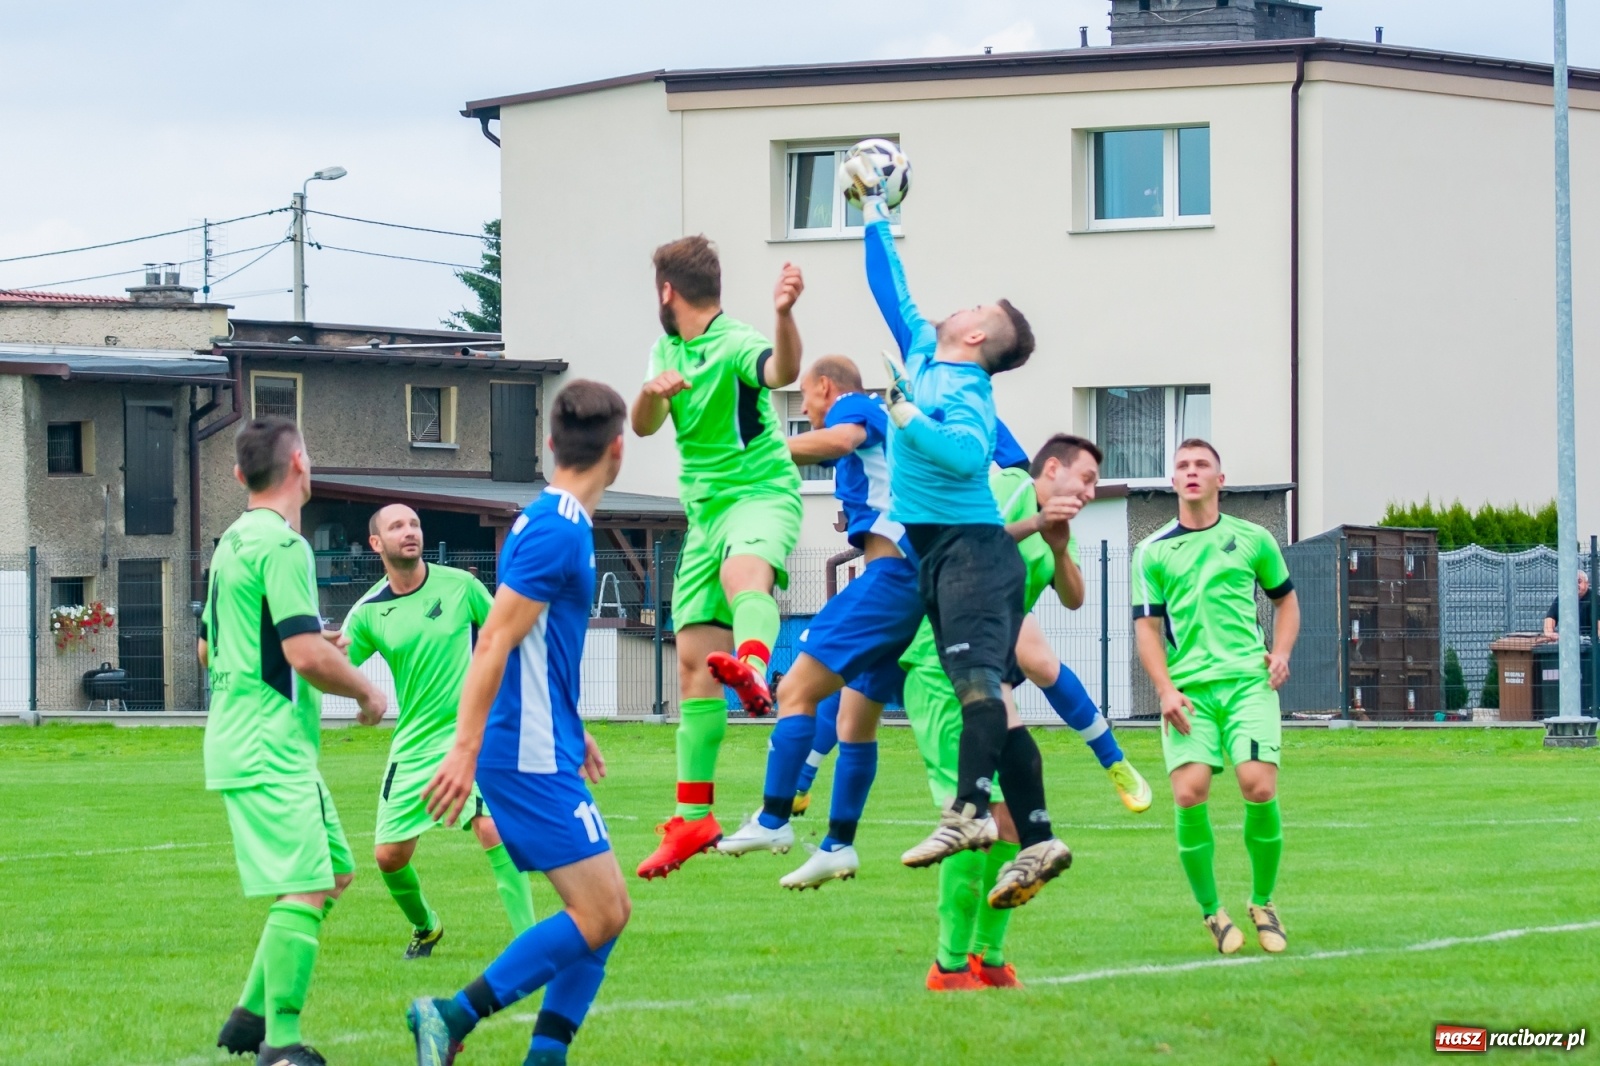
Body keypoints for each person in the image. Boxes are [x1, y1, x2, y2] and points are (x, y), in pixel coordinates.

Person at [846, 151, 1066, 908]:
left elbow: (970, 451)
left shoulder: (964, 388)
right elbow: (891, 288)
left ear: (977, 339)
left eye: (976, 309)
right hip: (947, 556)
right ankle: (1037, 836)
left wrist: (905, 412)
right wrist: (874, 208)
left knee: (976, 695)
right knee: (995, 708)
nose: (960, 307)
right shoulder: (922, 352)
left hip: (974, 554)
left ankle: (968, 815)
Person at [408, 381, 631, 1066]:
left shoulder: (562, 521)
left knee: (607, 914)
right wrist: (465, 749)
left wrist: (574, 723)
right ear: (617, 452)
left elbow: (535, 644)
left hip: (547, 740)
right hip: (524, 752)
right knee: (599, 912)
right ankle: (450, 1014)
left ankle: (544, 1056)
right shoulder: (558, 529)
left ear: (549, 445)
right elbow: (496, 639)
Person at [904, 433, 1147, 990]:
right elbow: (965, 543)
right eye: (1084, 478)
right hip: (940, 663)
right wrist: (1038, 525)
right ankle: (948, 965)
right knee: (972, 818)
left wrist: (1059, 544)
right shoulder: (1008, 486)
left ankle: (988, 958)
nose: (1089, 491)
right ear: (1052, 468)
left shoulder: (1057, 527)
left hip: (989, 673)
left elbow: (1075, 596)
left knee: (1014, 820)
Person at [204, 417, 388, 1066]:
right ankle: (281, 1046)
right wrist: (367, 691)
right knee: (307, 887)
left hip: (249, 738)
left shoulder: (230, 545)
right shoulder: (286, 547)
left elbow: (213, 645)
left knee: (334, 873)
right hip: (268, 745)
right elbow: (303, 655)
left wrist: (310, 644)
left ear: (238, 476)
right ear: (302, 466)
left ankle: (248, 1017)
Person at [630, 236, 806, 880]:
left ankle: (757, 669)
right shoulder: (666, 351)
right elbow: (645, 422)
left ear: (666, 292)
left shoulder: (736, 341)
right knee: (693, 665)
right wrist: (654, 389)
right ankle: (694, 817)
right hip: (703, 515)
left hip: (760, 493)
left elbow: (780, 372)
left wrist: (786, 315)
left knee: (744, 577)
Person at [714, 355, 923, 890]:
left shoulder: (855, 406)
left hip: (892, 578)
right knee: (855, 721)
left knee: (796, 690)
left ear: (826, 387)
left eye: (804, 400)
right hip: (910, 580)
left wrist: (762, 450)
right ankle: (838, 844)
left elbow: (839, 440)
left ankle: (773, 818)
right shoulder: (884, 424)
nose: (804, 411)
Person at [341, 503, 537, 957]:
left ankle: (530, 947)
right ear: (377, 544)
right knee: (389, 857)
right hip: (414, 745)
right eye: (397, 527)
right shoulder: (370, 612)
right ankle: (427, 926)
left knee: (492, 830)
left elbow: (505, 636)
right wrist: (359, 697)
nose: (409, 532)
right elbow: (334, 664)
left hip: (471, 736)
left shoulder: (461, 585)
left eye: (414, 524)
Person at [1132, 438, 1300, 956]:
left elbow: (1286, 602)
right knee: (1189, 793)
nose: (1191, 472)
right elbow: (1147, 629)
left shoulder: (1254, 539)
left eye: (1202, 465)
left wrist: (1281, 652)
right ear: (1173, 481)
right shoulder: (1153, 550)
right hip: (1189, 694)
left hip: (1249, 684)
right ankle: (1213, 912)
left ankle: (1263, 902)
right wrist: (1164, 690)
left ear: (1220, 480)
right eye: (1182, 465)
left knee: (1258, 786)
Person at [1540, 569, 1594, 642]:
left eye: (1579, 581)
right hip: (1568, 641)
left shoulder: (1595, 599)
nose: (1576, 585)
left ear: (1587, 584)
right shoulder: (1563, 597)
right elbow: (1550, 617)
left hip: (1590, 643)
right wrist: (1550, 633)